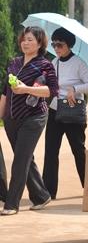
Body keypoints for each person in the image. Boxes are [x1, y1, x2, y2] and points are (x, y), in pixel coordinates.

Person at [0, 26, 59, 215]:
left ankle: (11, 204)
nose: (26, 42)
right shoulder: (14, 63)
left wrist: (26, 89)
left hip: (34, 117)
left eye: (31, 39)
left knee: (20, 160)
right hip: (11, 118)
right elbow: (4, 92)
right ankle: (41, 195)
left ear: (40, 43)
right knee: (25, 157)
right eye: (24, 39)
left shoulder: (45, 65)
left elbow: (52, 91)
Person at [41, 27, 88, 200]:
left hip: (73, 112)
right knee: (50, 151)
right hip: (55, 111)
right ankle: (48, 192)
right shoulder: (53, 62)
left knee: (78, 151)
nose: (57, 48)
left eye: (60, 45)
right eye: (54, 44)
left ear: (69, 45)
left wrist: (75, 88)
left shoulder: (79, 63)